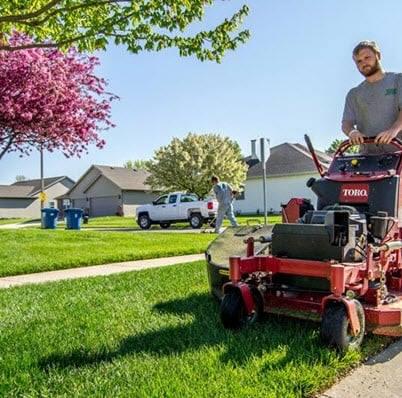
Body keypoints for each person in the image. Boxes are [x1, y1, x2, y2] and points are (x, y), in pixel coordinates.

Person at [342, 40, 402, 153]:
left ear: (378, 56)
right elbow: (346, 123)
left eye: (367, 57)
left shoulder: (398, 80)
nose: (363, 63)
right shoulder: (354, 94)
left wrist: (394, 130)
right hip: (368, 157)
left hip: (398, 152)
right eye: (359, 61)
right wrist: (352, 132)